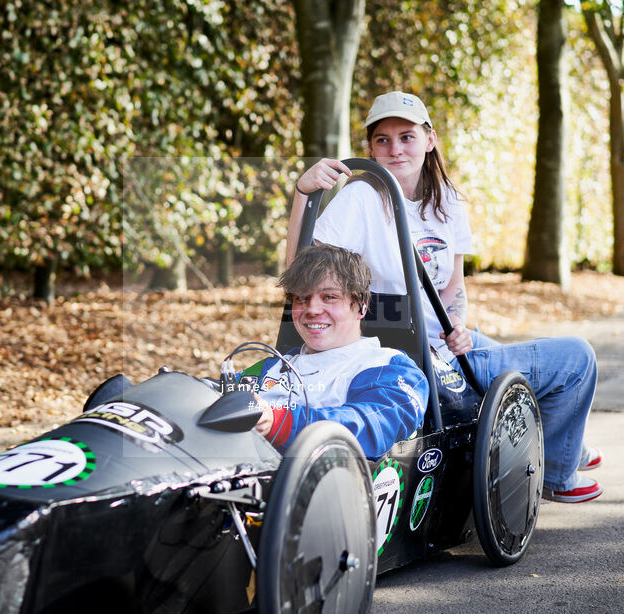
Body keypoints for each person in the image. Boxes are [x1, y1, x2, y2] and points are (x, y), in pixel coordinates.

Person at [286, 90, 602, 503]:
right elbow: (300, 268)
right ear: (370, 147)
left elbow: (453, 285)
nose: (395, 149)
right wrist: (302, 195)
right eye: (382, 139)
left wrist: (457, 326)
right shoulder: (361, 197)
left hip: (443, 337)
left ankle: (568, 449)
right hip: (403, 345)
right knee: (577, 359)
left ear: (429, 139)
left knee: (513, 356)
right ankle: (559, 477)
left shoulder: (447, 199)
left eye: (407, 137)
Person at [247, 244, 428, 460]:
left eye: (329, 297)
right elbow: (219, 393)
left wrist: (278, 422)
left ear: (361, 305)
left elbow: (372, 425)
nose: (312, 310)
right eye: (301, 298)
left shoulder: (388, 367)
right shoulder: (272, 366)